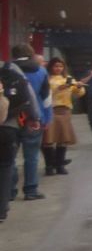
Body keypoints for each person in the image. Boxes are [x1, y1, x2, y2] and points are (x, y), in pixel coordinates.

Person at [0, 54, 41, 223]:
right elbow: (28, 95)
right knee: (5, 166)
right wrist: (34, 117)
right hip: (9, 126)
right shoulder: (12, 71)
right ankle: (2, 207)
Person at [9, 47, 48, 202]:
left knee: (9, 158)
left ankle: (9, 190)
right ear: (31, 54)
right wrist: (44, 118)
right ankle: (30, 190)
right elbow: (45, 98)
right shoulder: (40, 71)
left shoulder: (7, 69)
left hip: (10, 119)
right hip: (32, 119)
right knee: (31, 156)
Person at [42, 58, 83, 176]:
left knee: (62, 139)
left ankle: (60, 165)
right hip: (50, 110)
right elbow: (44, 93)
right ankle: (49, 166)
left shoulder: (68, 78)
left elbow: (79, 93)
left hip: (65, 111)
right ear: (50, 67)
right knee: (48, 140)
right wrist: (58, 88)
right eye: (56, 66)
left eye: (60, 66)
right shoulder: (46, 78)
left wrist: (79, 86)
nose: (58, 68)